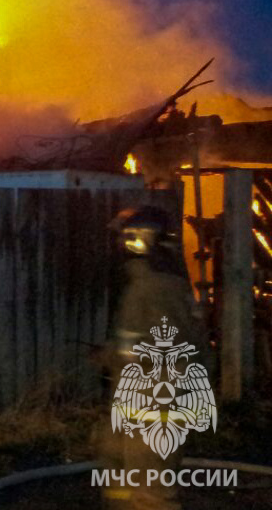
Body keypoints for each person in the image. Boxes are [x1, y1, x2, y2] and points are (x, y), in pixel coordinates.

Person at [98, 205, 202, 510]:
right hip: (146, 397)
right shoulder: (166, 282)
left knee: (151, 488)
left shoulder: (151, 286)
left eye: (125, 236)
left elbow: (152, 349)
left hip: (153, 402)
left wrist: (115, 358)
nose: (120, 244)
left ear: (140, 239)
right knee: (117, 461)